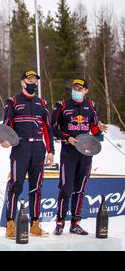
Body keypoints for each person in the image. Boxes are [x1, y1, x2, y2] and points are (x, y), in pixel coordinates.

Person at [0, 71, 54, 239]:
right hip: (20, 147)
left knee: (36, 188)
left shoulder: (42, 103)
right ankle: (10, 224)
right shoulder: (13, 102)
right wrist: (4, 140)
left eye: (35, 80)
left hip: (38, 148)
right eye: (29, 80)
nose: (33, 83)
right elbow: (6, 126)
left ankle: (35, 224)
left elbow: (48, 129)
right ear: (22, 82)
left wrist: (51, 150)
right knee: (16, 186)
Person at [51, 78, 107, 235]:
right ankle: (60, 222)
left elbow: (94, 129)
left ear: (85, 91)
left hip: (86, 152)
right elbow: (53, 128)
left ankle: (75, 222)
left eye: (79, 88)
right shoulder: (62, 105)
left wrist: (99, 128)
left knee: (80, 189)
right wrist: (66, 137)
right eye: (74, 87)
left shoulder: (90, 106)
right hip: (69, 152)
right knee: (65, 188)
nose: (76, 90)